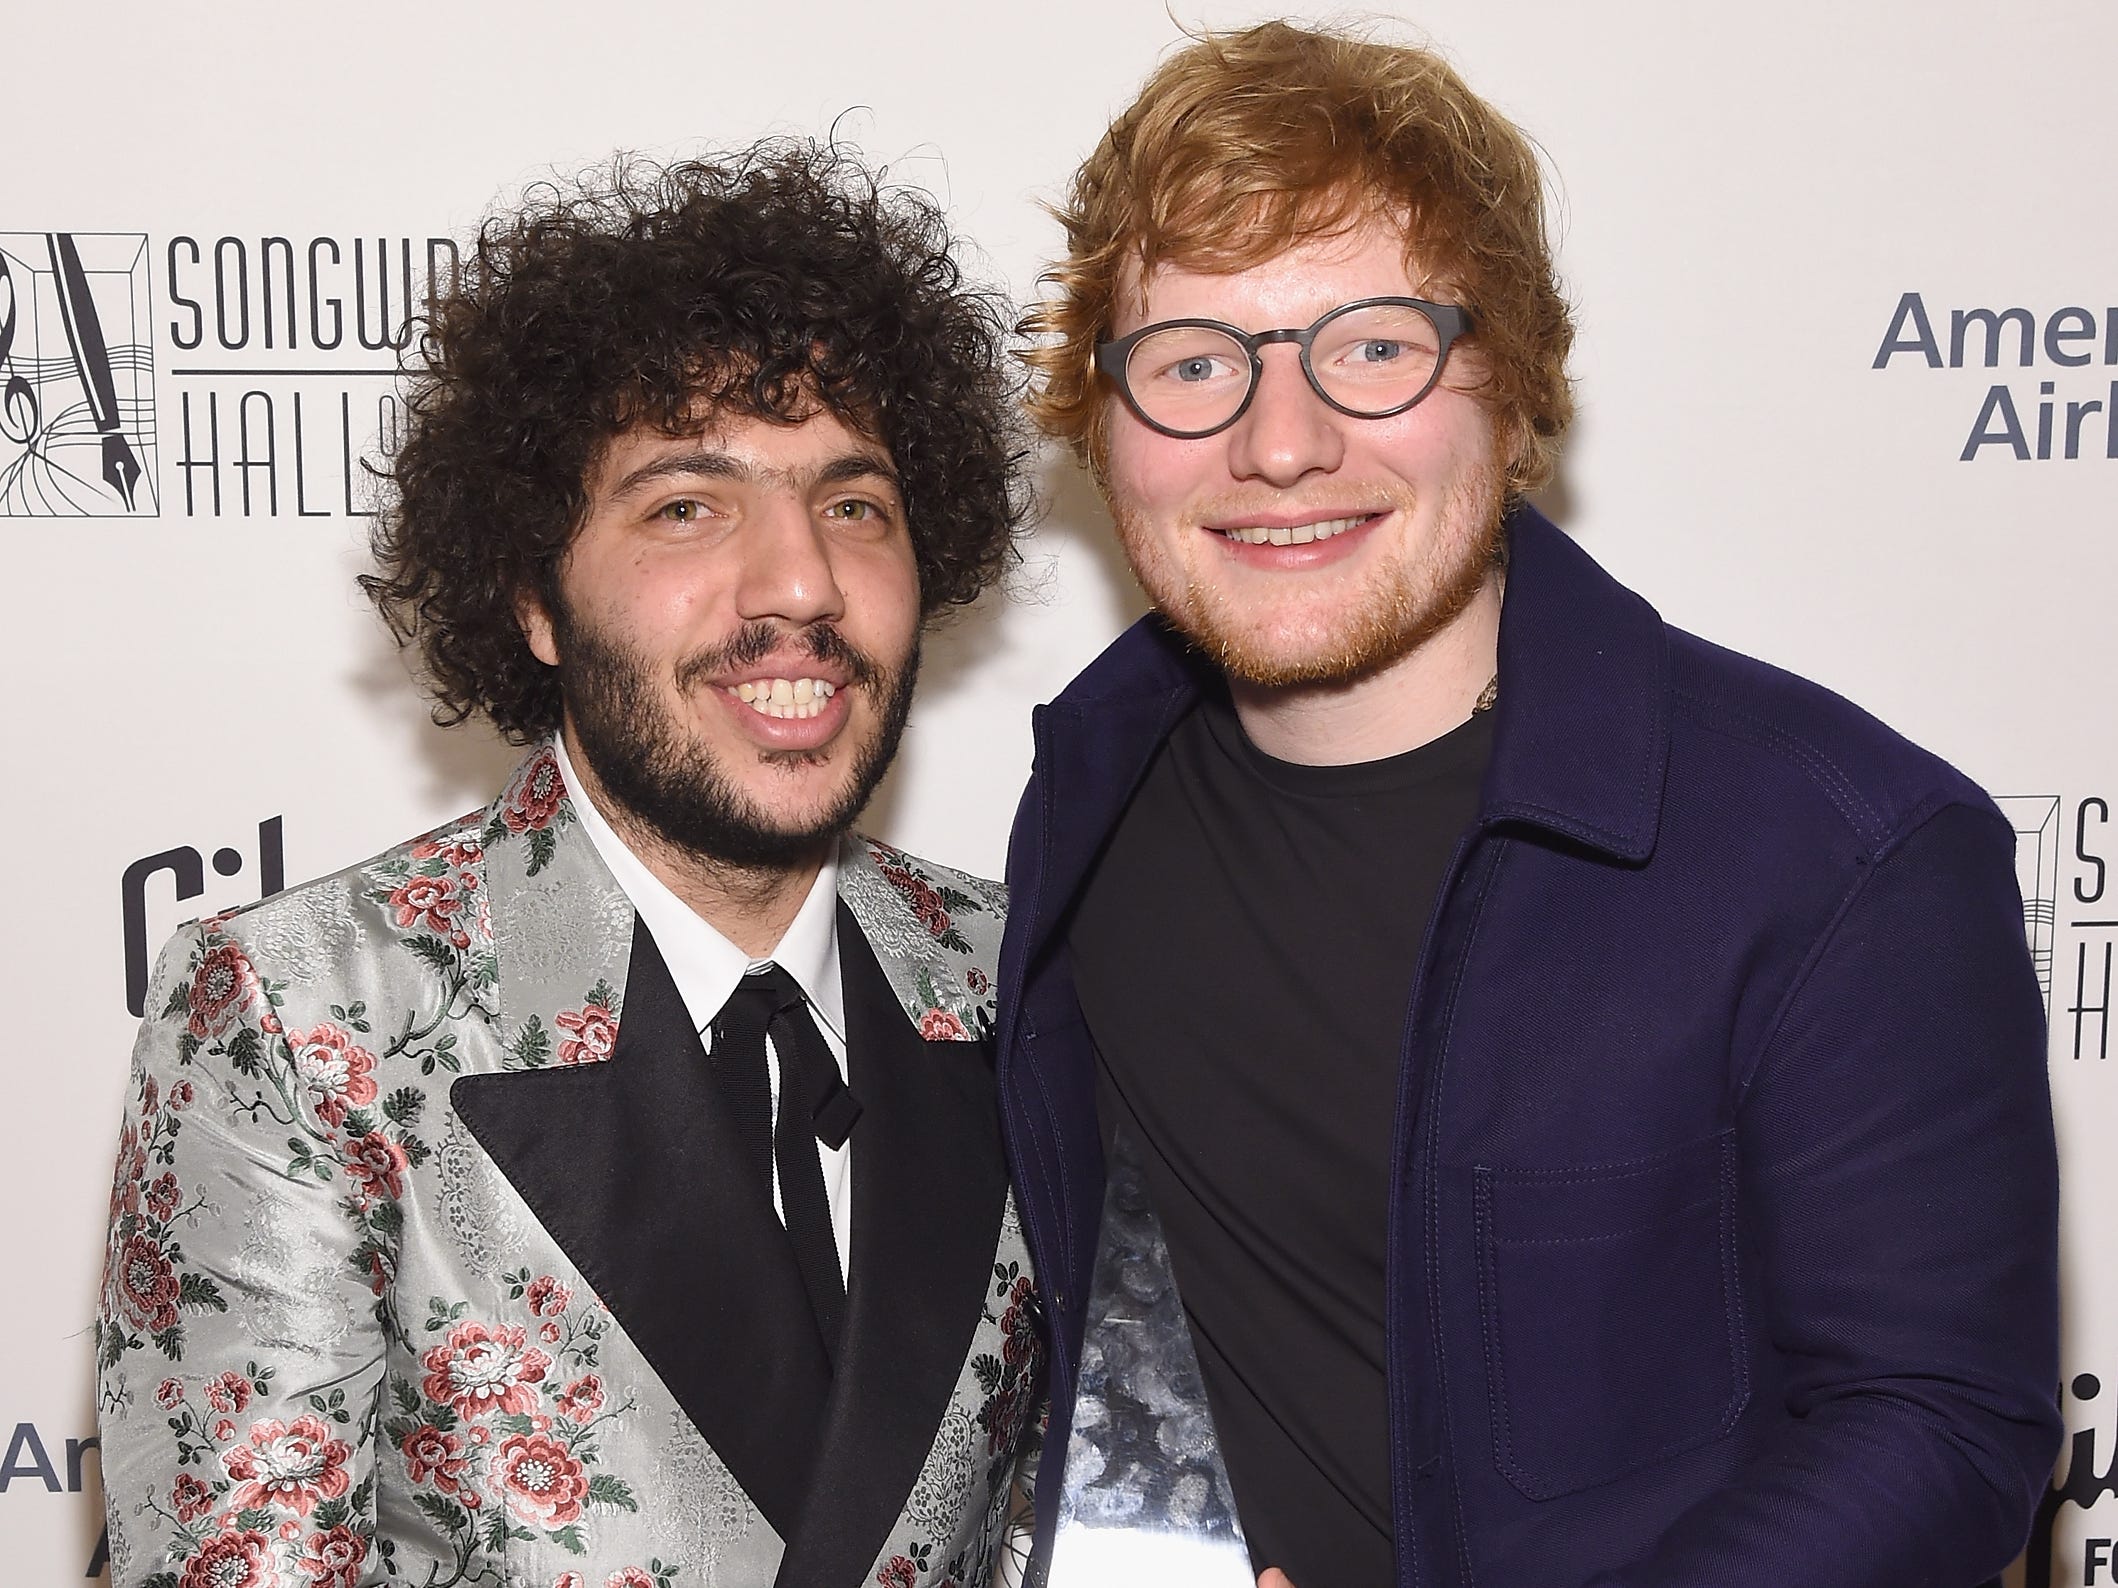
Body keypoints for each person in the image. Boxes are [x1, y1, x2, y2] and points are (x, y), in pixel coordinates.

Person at [998, 22, 2058, 1588]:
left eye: (1372, 346)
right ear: (1107, 424)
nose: (1278, 443)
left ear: (1508, 381)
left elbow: (1938, 1430)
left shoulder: (1841, 853)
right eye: (1195, 362)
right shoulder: (1091, 790)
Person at [96, 143, 1042, 1588]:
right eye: (686, 505)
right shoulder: (302, 1019)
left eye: (854, 503)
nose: (798, 581)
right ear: (535, 595)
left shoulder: (1018, 980)